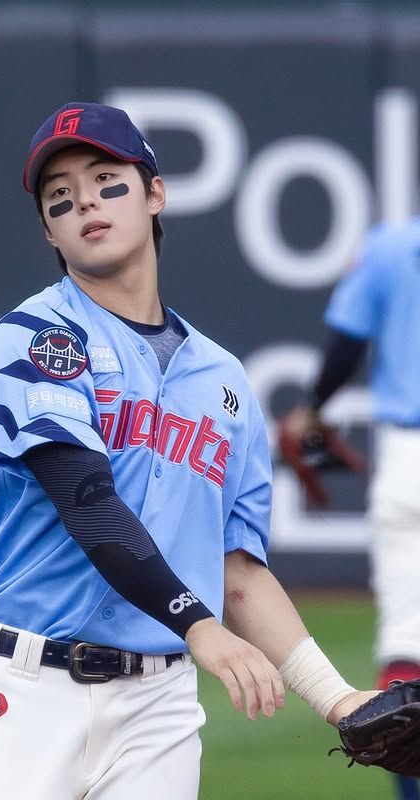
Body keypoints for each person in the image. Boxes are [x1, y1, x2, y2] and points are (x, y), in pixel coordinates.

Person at [0, 101, 378, 800]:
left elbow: (236, 571)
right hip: (24, 693)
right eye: (59, 197)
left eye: (105, 180)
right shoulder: (35, 338)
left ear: (154, 194)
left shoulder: (223, 379)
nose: (85, 201)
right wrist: (199, 625)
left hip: (158, 707)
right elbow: (88, 504)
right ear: (49, 230)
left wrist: (337, 699)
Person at [282, 218, 420, 800]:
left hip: (409, 459)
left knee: (408, 660)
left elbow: (346, 343)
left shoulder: (393, 246)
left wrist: (312, 409)